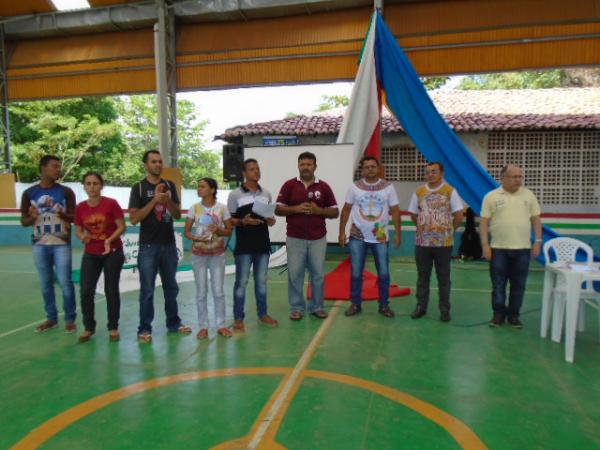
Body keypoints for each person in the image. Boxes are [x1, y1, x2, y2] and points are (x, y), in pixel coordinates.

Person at [128, 150, 191, 343]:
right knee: (147, 289)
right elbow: (134, 219)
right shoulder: (138, 188)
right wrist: (154, 200)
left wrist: (167, 199)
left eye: (160, 162)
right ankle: (144, 328)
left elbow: (177, 215)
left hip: (168, 245)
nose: (158, 165)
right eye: (153, 162)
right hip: (148, 246)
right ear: (146, 165)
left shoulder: (170, 185)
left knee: (171, 287)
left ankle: (173, 323)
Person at [275, 151, 339, 320]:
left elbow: (335, 212)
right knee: (295, 274)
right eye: (302, 164)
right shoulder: (289, 185)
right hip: (295, 238)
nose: (305, 167)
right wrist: (295, 209)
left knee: (317, 274)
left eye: (309, 164)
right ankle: (297, 308)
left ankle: (317, 307)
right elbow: (278, 209)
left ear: (315, 166)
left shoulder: (323, 187)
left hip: (318, 238)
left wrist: (319, 211)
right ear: (298, 166)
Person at [480, 164, 542, 329]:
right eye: (514, 177)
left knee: (519, 284)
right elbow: (484, 222)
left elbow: (536, 219)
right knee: (498, 284)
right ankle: (498, 314)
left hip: (522, 249)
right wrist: (485, 245)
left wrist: (538, 241)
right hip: (498, 249)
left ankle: (514, 315)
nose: (518, 180)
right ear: (503, 178)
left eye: (520, 176)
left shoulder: (529, 196)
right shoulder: (491, 197)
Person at [339, 156, 401, 318]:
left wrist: (398, 234)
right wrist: (341, 232)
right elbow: (346, 210)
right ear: (362, 170)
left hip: (380, 237)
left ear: (379, 168)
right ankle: (355, 304)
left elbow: (395, 210)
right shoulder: (355, 187)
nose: (370, 169)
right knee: (356, 273)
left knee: (384, 273)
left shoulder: (388, 187)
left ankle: (384, 305)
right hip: (357, 236)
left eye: (373, 166)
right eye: (367, 167)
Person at [20, 155, 77, 333]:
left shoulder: (66, 192)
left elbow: (74, 217)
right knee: (46, 284)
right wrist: (33, 216)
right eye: (54, 166)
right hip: (39, 244)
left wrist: (62, 214)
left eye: (59, 166)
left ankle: (70, 319)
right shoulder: (29, 193)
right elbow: (24, 221)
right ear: (43, 168)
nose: (58, 169)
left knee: (65, 282)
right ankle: (51, 318)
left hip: (61, 243)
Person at [408, 162, 464, 322]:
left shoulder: (450, 191)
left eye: (434, 171)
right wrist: (424, 227)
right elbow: (413, 214)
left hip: (443, 244)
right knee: (422, 277)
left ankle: (444, 310)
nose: (430, 175)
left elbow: (458, 214)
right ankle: (421, 307)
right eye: (428, 172)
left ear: (442, 173)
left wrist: (448, 230)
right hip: (422, 244)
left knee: (444, 278)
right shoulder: (419, 192)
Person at [227, 159, 278, 332]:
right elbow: (230, 220)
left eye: (258, 169)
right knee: (241, 283)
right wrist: (243, 221)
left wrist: (271, 220)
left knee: (262, 282)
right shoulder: (235, 195)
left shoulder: (266, 194)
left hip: (263, 244)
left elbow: (269, 218)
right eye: (252, 169)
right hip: (244, 246)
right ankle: (238, 318)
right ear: (244, 173)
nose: (256, 172)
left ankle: (263, 314)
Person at [75, 172, 126, 343]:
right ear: (84, 186)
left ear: (101, 186)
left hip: (112, 252)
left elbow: (122, 226)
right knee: (86, 291)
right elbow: (79, 229)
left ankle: (113, 327)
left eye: (95, 183)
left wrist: (110, 240)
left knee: (111, 290)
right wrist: (82, 236)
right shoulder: (81, 207)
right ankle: (89, 327)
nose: (92, 187)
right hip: (91, 253)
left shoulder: (111, 204)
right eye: (88, 184)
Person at [185, 178, 233, 338]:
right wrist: (196, 238)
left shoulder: (222, 208)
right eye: (198, 186)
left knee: (218, 291)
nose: (199, 189)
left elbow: (229, 231)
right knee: (201, 292)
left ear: (212, 190)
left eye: (203, 186)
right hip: (199, 255)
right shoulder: (194, 208)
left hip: (217, 255)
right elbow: (187, 232)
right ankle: (203, 326)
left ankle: (221, 325)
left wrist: (218, 230)